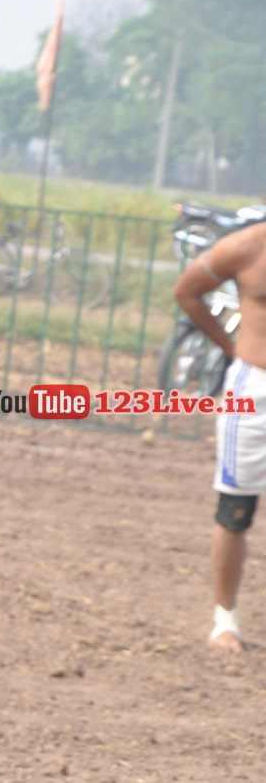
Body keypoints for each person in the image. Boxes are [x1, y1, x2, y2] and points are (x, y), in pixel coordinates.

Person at [173, 220, 266, 653]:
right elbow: (187, 291)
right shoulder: (246, 247)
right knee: (235, 509)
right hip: (254, 388)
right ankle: (225, 619)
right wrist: (229, 347)